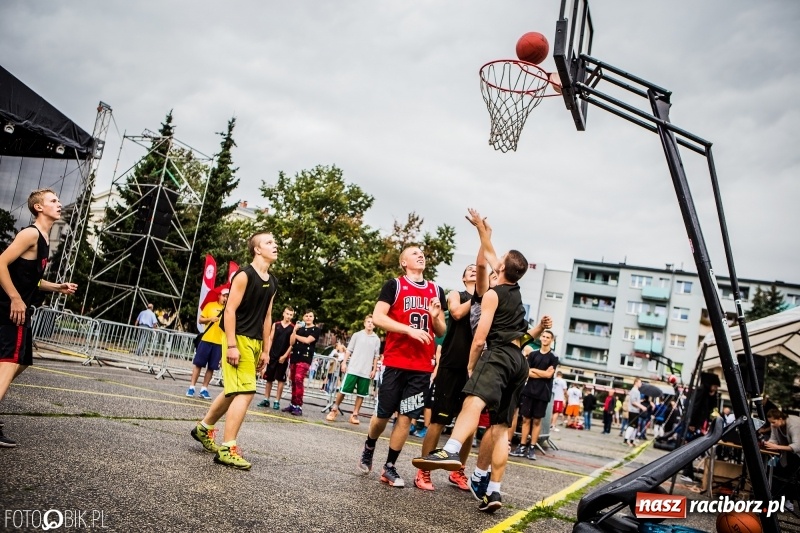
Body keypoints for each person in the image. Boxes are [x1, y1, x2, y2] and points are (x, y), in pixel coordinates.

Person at [413, 208, 532, 513]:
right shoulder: (515, 290)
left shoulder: (492, 295)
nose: (494, 262)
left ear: (502, 268)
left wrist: (471, 364)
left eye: (498, 261)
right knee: (501, 429)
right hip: (520, 361)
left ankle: (450, 450)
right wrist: (483, 230)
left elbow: (480, 338)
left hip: (500, 353)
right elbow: (489, 256)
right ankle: (492, 488)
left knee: (473, 402)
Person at [358, 245, 446, 489]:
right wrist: (409, 330)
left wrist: (435, 317)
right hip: (396, 361)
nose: (420, 255)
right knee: (383, 416)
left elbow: (441, 331)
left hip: (421, 367)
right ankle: (369, 444)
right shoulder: (394, 286)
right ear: (403, 262)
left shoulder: (436, 290)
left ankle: (389, 467)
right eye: (414, 252)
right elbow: (378, 317)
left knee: (406, 417)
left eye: (422, 253)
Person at [190, 232, 278, 470]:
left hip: (255, 342)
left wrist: (266, 350)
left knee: (233, 391)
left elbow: (268, 317)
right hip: (237, 339)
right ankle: (228, 448)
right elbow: (229, 312)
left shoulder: (273, 281)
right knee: (246, 392)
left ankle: (204, 428)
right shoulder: (243, 275)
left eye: (274, 242)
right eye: (269, 242)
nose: (275, 245)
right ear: (257, 250)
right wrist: (231, 345)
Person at [0, 189, 77, 447]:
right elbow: (0, 262)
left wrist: (58, 287)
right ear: (39, 208)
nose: (59, 203)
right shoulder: (30, 233)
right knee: (9, 363)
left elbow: (32, 278)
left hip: (19, 310)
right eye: (53, 201)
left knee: (20, 362)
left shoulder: (44, 238)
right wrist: (15, 297)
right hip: (12, 310)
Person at [413, 263, 477, 492]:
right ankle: (424, 470)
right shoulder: (456, 295)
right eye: (468, 269)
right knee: (439, 421)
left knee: (469, 425)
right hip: (451, 365)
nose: (472, 270)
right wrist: (478, 295)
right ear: (463, 277)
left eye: (475, 268)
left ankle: (458, 470)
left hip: (474, 369)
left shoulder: (487, 299)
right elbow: (458, 313)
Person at [509, 330, 558, 461]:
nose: (545, 339)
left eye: (548, 337)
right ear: (540, 338)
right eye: (543, 336)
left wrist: (535, 371)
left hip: (543, 393)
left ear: (551, 340)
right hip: (529, 391)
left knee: (537, 421)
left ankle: (532, 447)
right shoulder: (533, 355)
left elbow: (549, 375)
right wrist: (539, 372)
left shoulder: (553, 357)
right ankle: (522, 445)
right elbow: (527, 372)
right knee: (526, 419)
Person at [326, 314, 381, 425]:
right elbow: (349, 350)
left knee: (361, 394)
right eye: (368, 321)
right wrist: (344, 363)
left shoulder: (376, 339)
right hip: (353, 368)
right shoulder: (357, 335)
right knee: (343, 390)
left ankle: (355, 414)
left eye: (372, 322)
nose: (370, 323)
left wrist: (374, 370)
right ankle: (334, 409)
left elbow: (376, 356)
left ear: (375, 325)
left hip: (365, 371)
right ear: (364, 323)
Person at [187, 288, 229, 400]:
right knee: (198, 364)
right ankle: (191, 387)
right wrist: (211, 319)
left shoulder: (229, 310)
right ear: (219, 296)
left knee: (211, 367)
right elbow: (200, 320)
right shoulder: (210, 305)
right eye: (224, 295)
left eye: (227, 296)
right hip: (206, 339)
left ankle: (204, 388)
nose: (226, 298)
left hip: (219, 342)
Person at [283, 310, 320, 416]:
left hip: (305, 358)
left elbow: (308, 340)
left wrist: (296, 336)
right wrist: (294, 331)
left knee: (299, 379)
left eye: (310, 316)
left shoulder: (316, 330)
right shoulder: (299, 329)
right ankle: (293, 404)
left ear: (313, 318)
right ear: (303, 317)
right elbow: (291, 342)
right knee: (293, 380)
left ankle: (298, 405)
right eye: (306, 316)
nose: (308, 317)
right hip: (295, 356)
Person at [258, 306, 294, 410]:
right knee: (269, 378)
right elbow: (270, 339)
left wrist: (285, 355)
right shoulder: (276, 325)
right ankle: (266, 399)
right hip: (273, 355)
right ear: (283, 313)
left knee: (280, 380)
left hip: (282, 357)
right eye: (287, 314)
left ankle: (277, 401)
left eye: (291, 315)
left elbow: (292, 344)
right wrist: (267, 353)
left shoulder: (292, 327)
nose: (288, 316)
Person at [764, 409, 800, 503]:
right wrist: (767, 444)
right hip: (788, 455)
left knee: (789, 476)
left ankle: (788, 500)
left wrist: (776, 446)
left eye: (773, 422)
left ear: (780, 419)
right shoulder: (776, 426)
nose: (771, 425)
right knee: (776, 472)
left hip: (796, 455)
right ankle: (780, 499)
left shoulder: (794, 425)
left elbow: (797, 446)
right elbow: (773, 439)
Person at [624, 378, 646, 447]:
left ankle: (632, 440)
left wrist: (640, 402)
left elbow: (635, 401)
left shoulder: (637, 391)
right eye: (640, 382)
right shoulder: (634, 391)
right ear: (636, 382)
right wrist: (641, 406)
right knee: (631, 426)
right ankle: (626, 439)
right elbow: (633, 402)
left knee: (635, 427)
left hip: (636, 410)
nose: (641, 384)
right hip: (633, 410)